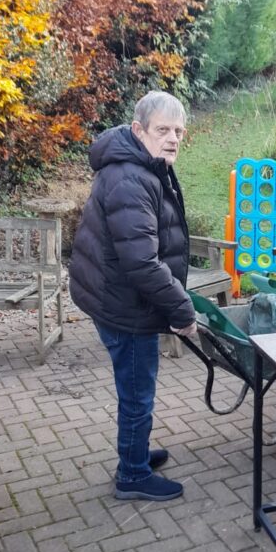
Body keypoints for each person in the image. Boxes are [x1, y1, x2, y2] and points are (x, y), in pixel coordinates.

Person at [69, 91, 198, 502]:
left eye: (178, 131)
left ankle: (134, 453)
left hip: (118, 298)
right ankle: (132, 474)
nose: (173, 138)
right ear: (139, 130)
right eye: (163, 129)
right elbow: (142, 262)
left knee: (136, 388)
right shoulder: (131, 178)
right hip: (126, 306)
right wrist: (182, 309)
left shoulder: (140, 164)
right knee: (138, 393)